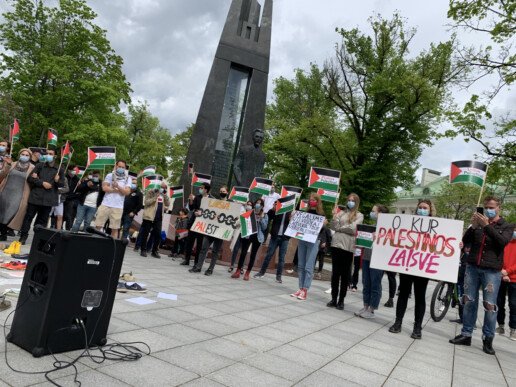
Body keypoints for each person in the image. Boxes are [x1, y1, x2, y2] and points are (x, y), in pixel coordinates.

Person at [450, 197, 513, 354]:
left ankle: (488, 339)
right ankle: (466, 334)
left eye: (491, 207)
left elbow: (502, 242)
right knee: (469, 301)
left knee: (490, 306)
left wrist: (486, 226)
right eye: (486, 207)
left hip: (492, 271)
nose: (488, 210)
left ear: (499, 207)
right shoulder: (477, 224)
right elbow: (465, 242)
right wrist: (473, 227)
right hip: (472, 267)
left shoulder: (506, 226)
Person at [389, 199, 436, 339]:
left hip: (422, 267)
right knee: (403, 294)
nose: (422, 210)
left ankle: (417, 327)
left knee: (420, 297)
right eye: (420, 207)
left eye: (425, 208)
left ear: (430, 210)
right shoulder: (408, 223)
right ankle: (398, 322)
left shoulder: (437, 227)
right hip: (407, 264)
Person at [19, 148, 65, 244]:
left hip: (48, 199)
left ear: (55, 156)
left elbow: (61, 185)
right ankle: (23, 236)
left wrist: (57, 181)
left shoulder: (59, 169)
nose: (48, 155)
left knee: (42, 221)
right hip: (35, 197)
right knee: (28, 218)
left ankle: (37, 238)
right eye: (47, 153)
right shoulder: (40, 165)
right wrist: (41, 182)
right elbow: (30, 179)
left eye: (50, 153)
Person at [328, 193, 363, 309]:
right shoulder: (341, 213)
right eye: (349, 200)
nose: (350, 202)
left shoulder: (359, 215)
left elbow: (353, 229)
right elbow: (333, 226)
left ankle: (341, 300)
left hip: (347, 247)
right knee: (335, 274)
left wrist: (339, 228)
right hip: (336, 245)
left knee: (344, 274)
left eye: (353, 200)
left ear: (356, 202)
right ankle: (333, 298)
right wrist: (334, 217)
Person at [291, 194, 328, 300]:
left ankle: (305, 290)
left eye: (313, 200)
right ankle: (300, 288)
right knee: (301, 266)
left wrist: (323, 224)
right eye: (310, 199)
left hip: (313, 241)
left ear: (317, 202)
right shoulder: (304, 212)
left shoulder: (321, 214)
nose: (311, 201)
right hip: (302, 240)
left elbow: (321, 230)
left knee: (308, 267)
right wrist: (294, 217)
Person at [355, 204, 389, 319]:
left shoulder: (387, 230)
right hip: (367, 256)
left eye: (374, 211)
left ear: (380, 214)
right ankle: (365, 306)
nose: (372, 213)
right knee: (366, 282)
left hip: (378, 259)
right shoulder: (373, 226)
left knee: (375, 284)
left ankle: (372, 308)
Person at [189, 186, 232, 275]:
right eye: (220, 191)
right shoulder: (215, 202)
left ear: (227, 192)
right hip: (211, 229)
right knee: (204, 248)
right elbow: (207, 212)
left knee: (215, 251)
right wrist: (199, 213)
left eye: (223, 191)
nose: (221, 192)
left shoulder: (231, 204)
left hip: (220, 231)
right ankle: (198, 267)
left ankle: (210, 269)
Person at [0, 149, 35, 241]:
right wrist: (7, 165)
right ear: (19, 155)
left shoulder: (33, 168)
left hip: (20, 194)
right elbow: (2, 175)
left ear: (30, 157)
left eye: (27, 155)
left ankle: (9, 230)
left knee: (12, 213)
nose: (24, 156)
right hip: (6, 192)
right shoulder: (12, 163)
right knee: (2, 213)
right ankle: (3, 234)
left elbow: (32, 182)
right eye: (22, 154)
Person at [254, 200, 291, 283]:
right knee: (269, 255)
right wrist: (273, 209)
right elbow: (268, 217)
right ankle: (261, 272)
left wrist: (292, 216)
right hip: (275, 236)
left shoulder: (290, 213)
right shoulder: (277, 210)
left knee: (281, 258)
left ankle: (278, 276)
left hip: (285, 238)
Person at [231, 198, 268, 280]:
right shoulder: (250, 212)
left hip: (257, 237)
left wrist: (261, 218)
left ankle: (247, 273)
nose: (258, 205)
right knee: (243, 253)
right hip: (248, 235)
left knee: (253, 255)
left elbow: (264, 227)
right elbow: (244, 222)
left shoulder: (265, 215)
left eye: (260, 203)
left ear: (262, 206)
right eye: (257, 203)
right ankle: (238, 271)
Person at [95, 160, 131, 238]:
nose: (121, 168)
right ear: (116, 166)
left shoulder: (128, 178)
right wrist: (116, 190)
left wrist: (117, 186)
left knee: (114, 229)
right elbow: (104, 188)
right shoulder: (109, 175)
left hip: (118, 207)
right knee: (98, 225)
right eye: (119, 166)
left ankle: (112, 247)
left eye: (123, 167)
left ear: (125, 168)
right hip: (105, 204)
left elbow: (127, 192)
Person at [180, 182, 212, 266]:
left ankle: (196, 262)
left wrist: (202, 214)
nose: (200, 189)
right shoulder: (197, 197)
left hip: (203, 225)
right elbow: (191, 208)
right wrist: (191, 200)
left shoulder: (211, 199)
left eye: (202, 188)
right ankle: (186, 259)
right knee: (190, 242)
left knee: (199, 244)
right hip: (194, 222)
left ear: (206, 189)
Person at [139, 182, 170, 258]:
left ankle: (154, 251)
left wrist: (165, 195)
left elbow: (168, 204)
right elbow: (146, 202)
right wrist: (155, 197)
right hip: (149, 217)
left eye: (165, 187)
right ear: (158, 186)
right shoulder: (151, 192)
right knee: (145, 234)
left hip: (158, 218)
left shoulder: (163, 195)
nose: (163, 188)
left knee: (158, 235)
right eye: (162, 187)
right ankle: (143, 250)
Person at [496, 228, 516, 340]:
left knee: (513, 304)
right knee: (499, 302)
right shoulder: (504, 242)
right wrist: (503, 272)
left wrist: (508, 271)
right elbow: (498, 257)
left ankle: (513, 329)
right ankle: (500, 326)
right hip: (501, 276)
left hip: (514, 279)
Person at [228, 201, 252, 273]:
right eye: (248, 204)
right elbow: (236, 223)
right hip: (239, 234)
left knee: (244, 252)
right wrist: (242, 217)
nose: (249, 206)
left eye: (250, 205)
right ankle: (232, 265)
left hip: (247, 236)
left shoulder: (252, 216)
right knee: (235, 249)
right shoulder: (242, 213)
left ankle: (241, 267)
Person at [62, 165, 80, 230]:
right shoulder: (64, 177)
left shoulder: (77, 179)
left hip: (71, 200)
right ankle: (59, 228)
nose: (75, 172)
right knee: (61, 215)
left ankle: (68, 229)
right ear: (69, 170)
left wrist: (79, 186)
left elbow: (79, 191)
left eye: (75, 170)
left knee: (69, 216)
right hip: (63, 198)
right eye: (73, 170)